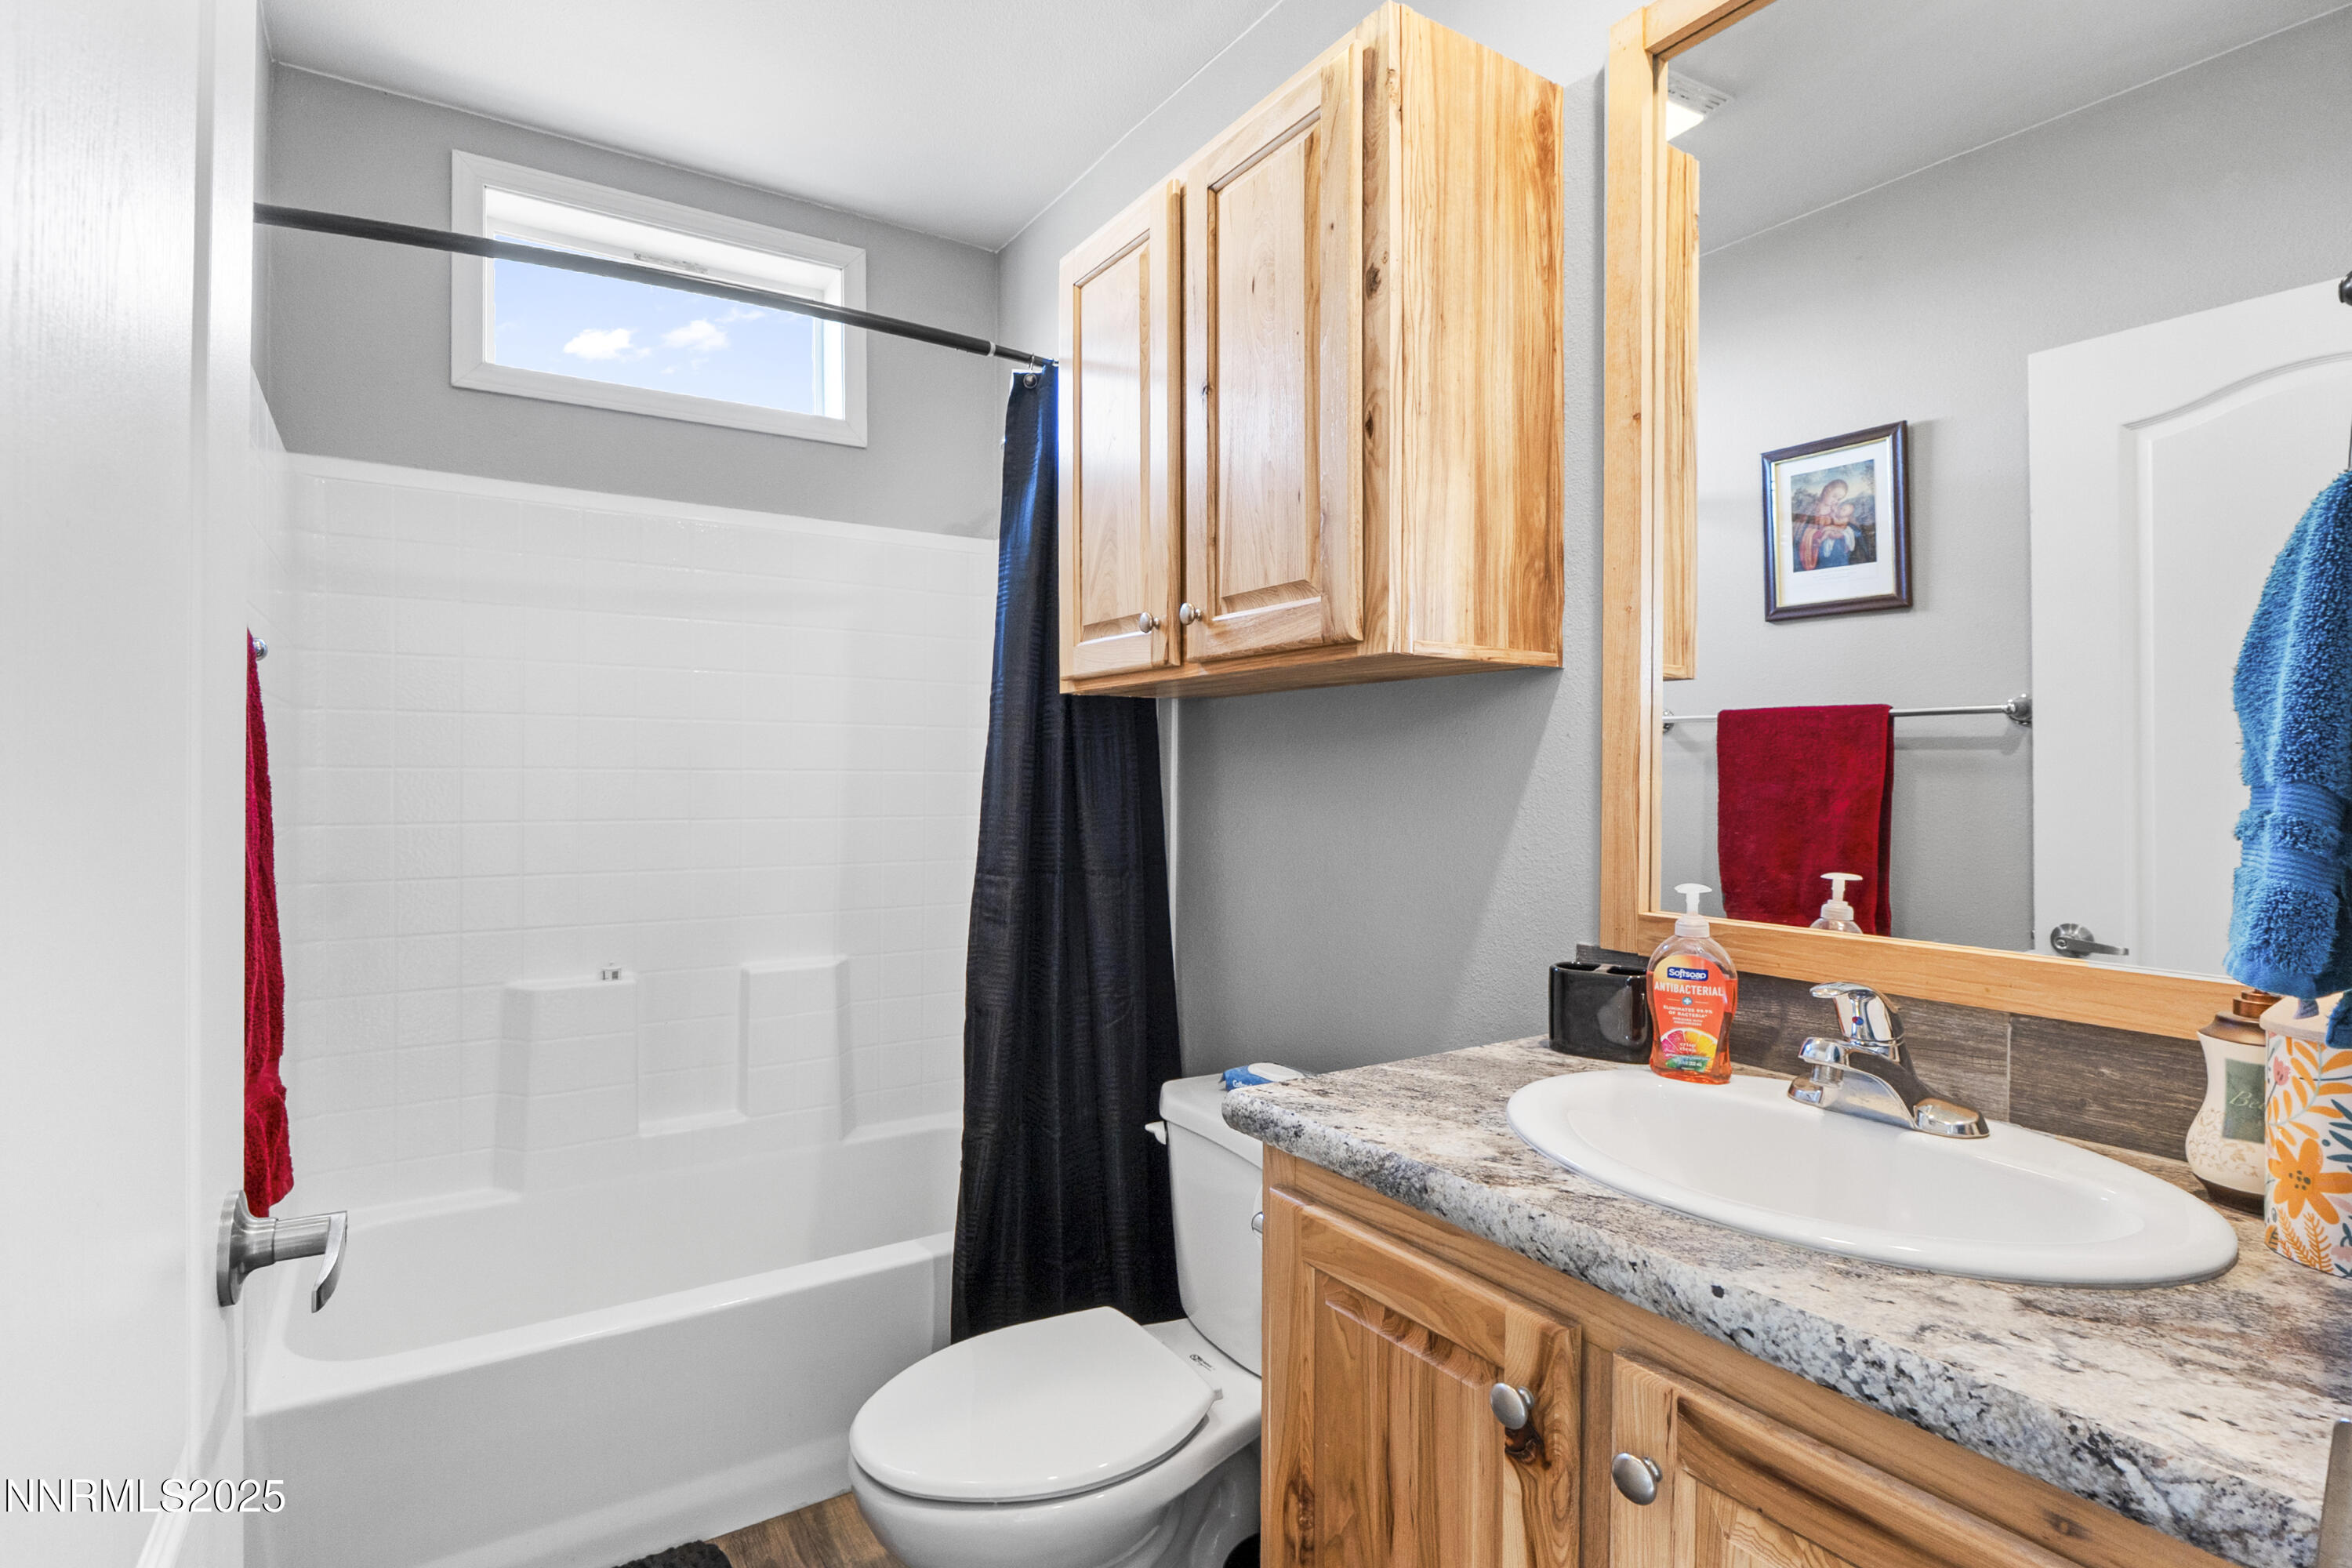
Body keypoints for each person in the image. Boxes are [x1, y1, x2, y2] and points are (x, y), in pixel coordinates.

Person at [1795, 478, 1848, 571]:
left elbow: (1840, 526)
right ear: (1826, 491)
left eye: (1838, 499)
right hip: (1811, 544)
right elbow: (1801, 527)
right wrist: (1813, 534)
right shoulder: (1811, 508)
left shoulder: (1835, 511)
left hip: (1828, 546)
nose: (1835, 501)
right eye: (1834, 496)